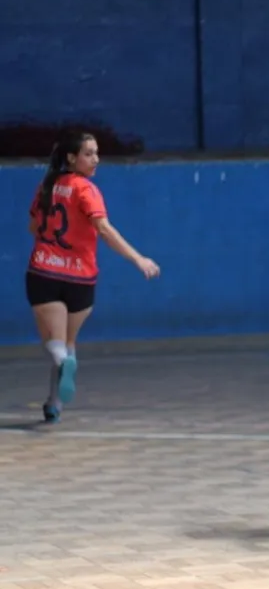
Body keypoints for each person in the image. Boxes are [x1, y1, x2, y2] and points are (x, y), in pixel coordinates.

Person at [25, 133, 160, 423]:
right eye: (89, 153)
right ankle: (54, 404)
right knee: (68, 341)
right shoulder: (87, 190)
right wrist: (138, 258)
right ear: (71, 157)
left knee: (54, 343)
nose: (96, 159)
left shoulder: (47, 186)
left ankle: (62, 363)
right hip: (81, 278)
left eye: (96, 153)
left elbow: (33, 227)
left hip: (45, 271)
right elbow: (105, 230)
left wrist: (52, 243)